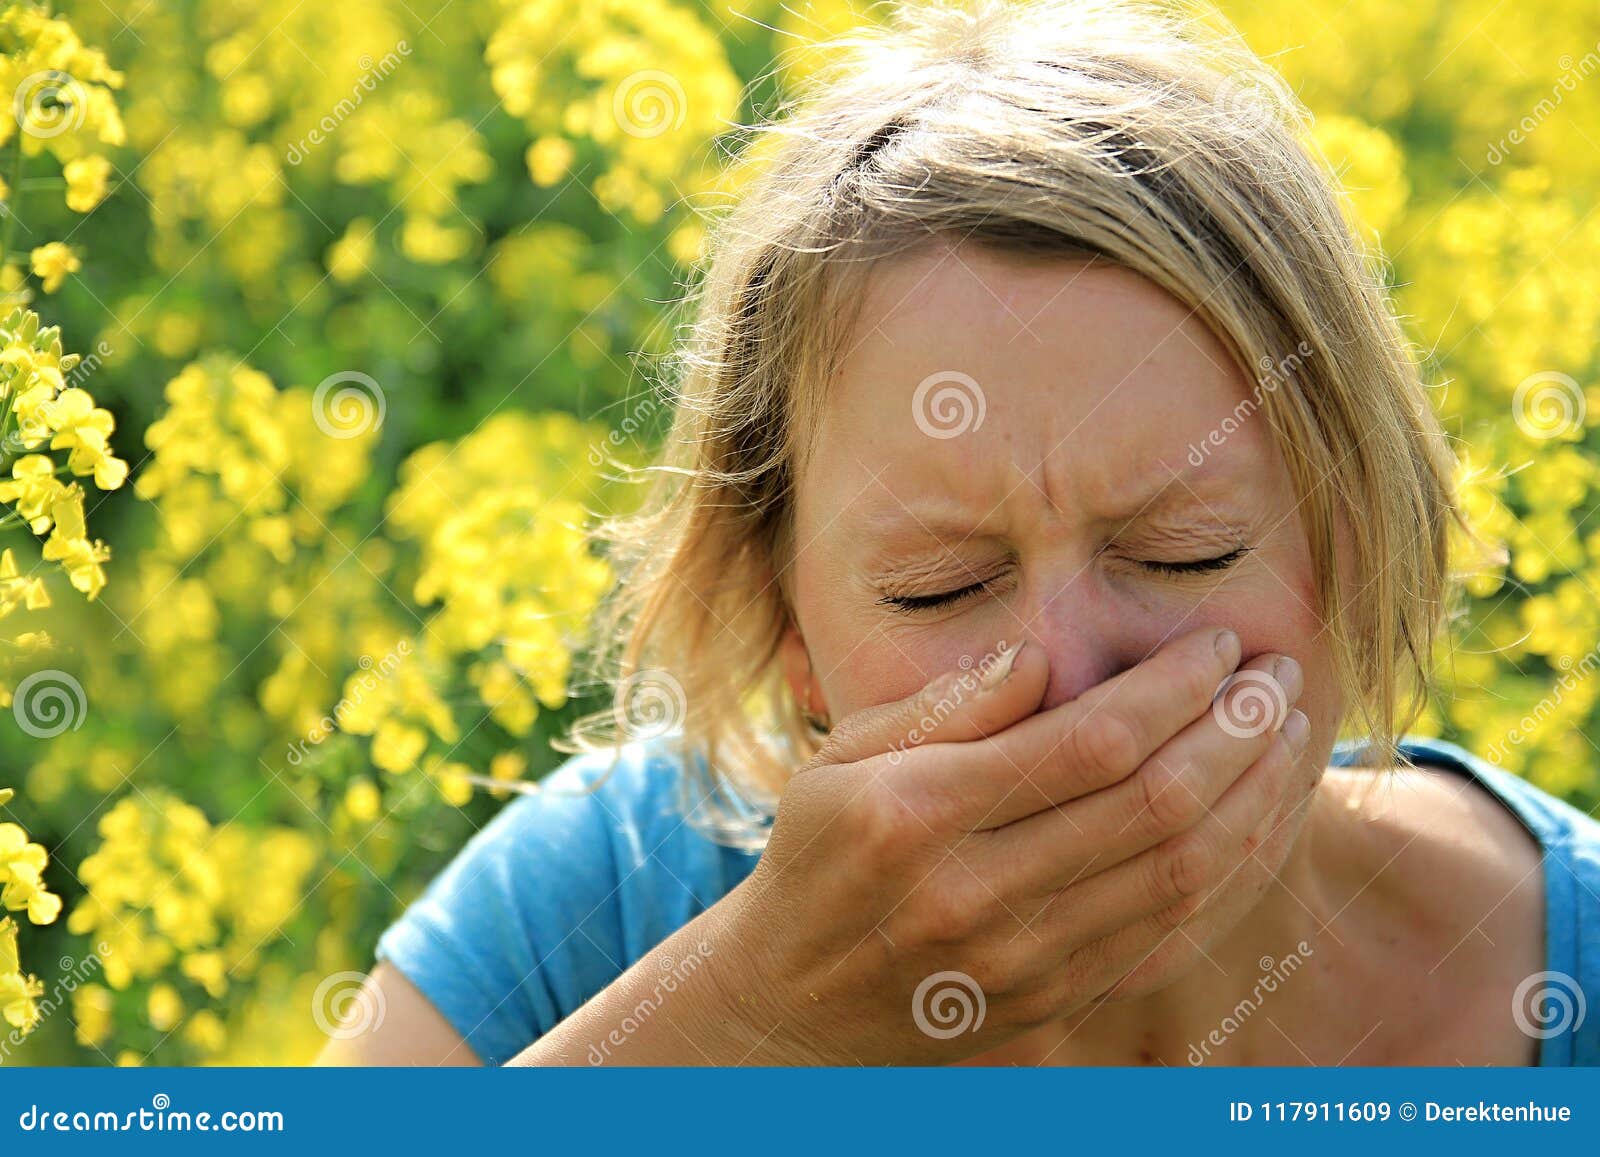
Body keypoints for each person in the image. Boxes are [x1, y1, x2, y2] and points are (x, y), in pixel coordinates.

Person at [318, 0, 1600, 1066]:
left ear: (1361, 546)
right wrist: (752, 1015)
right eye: (941, 588)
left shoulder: (1562, 966)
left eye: (1184, 553)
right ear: (790, 631)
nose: (1067, 690)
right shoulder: (613, 896)